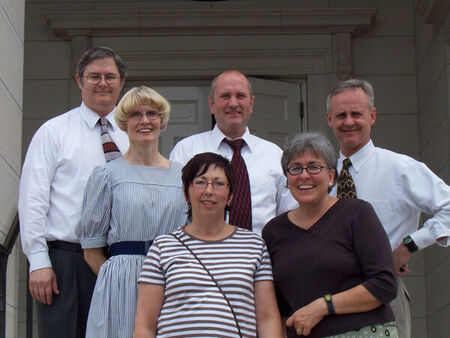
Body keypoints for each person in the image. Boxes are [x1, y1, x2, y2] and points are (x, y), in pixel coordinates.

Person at [18, 46, 129, 337]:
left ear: (122, 82)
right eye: (94, 77)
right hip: (66, 263)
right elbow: (33, 199)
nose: (102, 83)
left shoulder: (134, 136)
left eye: (109, 76)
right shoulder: (53, 132)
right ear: (79, 81)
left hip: (120, 261)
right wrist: (39, 261)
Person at [325, 79, 450, 338]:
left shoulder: (400, 168)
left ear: (372, 115)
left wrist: (409, 245)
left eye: (356, 114)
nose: (349, 121)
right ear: (329, 119)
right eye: (341, 115)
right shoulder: (320, 176)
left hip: (383, 292)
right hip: (330, 296)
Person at [75, 86, 187, 338]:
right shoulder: (107, 175)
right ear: (124, 123)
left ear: (162, 120)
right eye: (136, 114)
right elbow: (91, 252)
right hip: (120, 287)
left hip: (172, 282)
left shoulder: (184, 177)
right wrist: (117, 283)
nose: (145, 120)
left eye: (152, 113)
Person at [262, 132, 398, 337]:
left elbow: (384, 284)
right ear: (287, 178)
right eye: (295, 168)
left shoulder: (357, 214)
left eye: (314, 167)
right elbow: (277, 308)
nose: (304, 175)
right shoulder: (273, 232)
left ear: (331, 177)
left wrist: (322, 306)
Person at [134, 152, 283, 338]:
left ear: (230, 196)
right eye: (200, 182)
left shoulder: (254, 246)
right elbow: (145, 326)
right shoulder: (162, 247)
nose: (209, 191)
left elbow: (267, 319)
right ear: (185, 193)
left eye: (219, 183)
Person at [169, 70, 297, 234]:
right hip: (200, 255)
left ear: (251, 104)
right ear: (211, 104)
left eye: (240, 96)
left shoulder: (274, 156)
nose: (233, 103)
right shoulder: (186, 150)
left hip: (262, 256)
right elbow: (175, 213)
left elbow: (289, 215)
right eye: (225, 96)